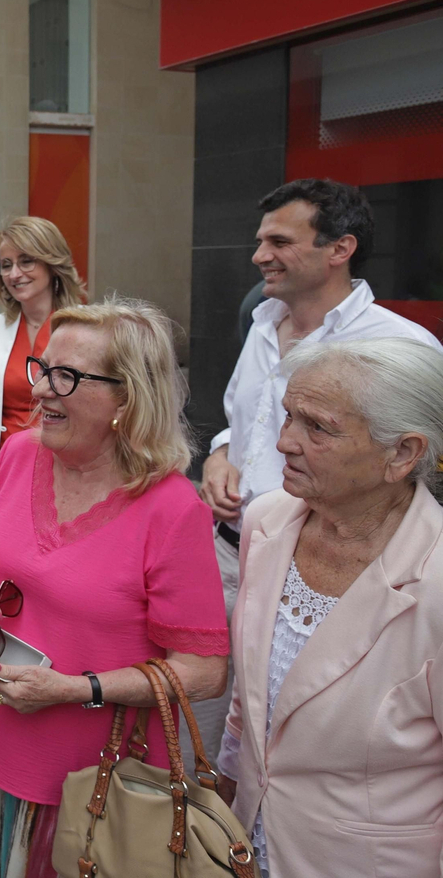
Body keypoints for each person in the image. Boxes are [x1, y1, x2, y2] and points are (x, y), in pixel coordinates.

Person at [0, 299, 230, 876]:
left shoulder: (173, 510)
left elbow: (204, 670)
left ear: (128, 397)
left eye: (66, 376)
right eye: (41, 368)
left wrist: (75, 689)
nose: (42, 390)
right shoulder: (21, 453)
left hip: (88, 775)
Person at [194, 178, 443, 758]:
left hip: (339, 565)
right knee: (224, 729)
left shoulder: (401, 345)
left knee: (306, 731)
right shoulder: (259, 323)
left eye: (279, 241)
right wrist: (220, 452)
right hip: (231, 550)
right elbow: (244, 417)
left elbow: (422, 462)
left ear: (340, 248)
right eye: (259, 240)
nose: (259, 256)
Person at [215, 337, 443, 878]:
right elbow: (249, 708)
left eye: (317, 427)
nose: (283, 443)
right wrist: (223, 805)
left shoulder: (435, 578)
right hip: (248, 849)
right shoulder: (267, 522)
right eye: (289, 415)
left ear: (403, 454)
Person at [0, 216, 84, 501]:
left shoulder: (86, 329)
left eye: (26, 261)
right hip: (0, 477)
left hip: (65, 477)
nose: (14, 274)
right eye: (6, 265)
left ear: (51, 264)